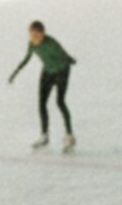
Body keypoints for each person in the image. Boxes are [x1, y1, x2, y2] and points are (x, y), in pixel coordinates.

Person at [7, 22, 78, 153]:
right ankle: (44, 135)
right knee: (41, 104)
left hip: (62, 71)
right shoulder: (32, 44)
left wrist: (70, 60)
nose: (34, 38)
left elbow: (63, 54)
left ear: (43, 33)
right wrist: (15, 72)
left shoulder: (51, 43)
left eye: (37, 35)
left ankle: (70, 136)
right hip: (47, 72)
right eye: (31, 34)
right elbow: (26, 59)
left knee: (60, 102)